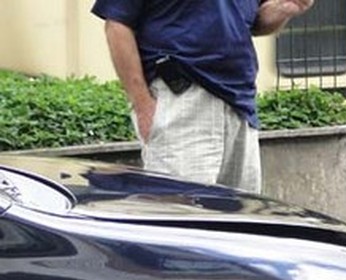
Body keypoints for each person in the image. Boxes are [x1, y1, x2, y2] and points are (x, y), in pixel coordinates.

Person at [90, 0, 314, 193]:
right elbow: (117, 25)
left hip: (240, 104)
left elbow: (255, 22)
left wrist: (284, 8)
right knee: (183, 222)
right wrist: (142, 105)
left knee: (241, 225)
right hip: (183, 101)